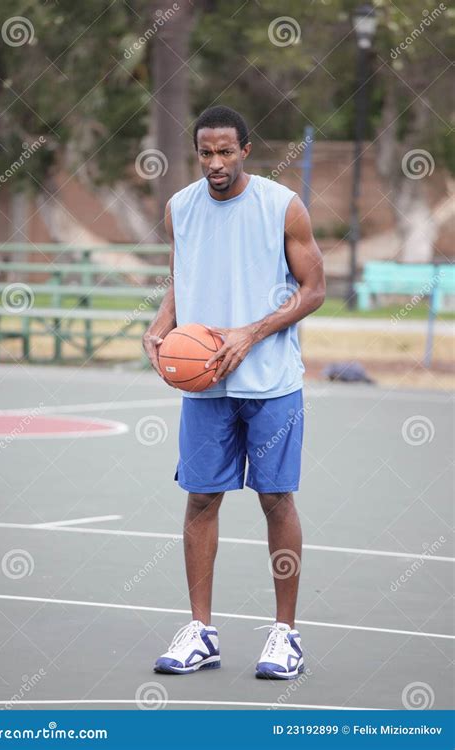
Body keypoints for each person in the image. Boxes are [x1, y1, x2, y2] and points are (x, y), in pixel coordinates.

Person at [142, 105, 325, 679]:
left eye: (226, 151)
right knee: (200, 501)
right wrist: (161, 322)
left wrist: (252, 331)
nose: (215, 163)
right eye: (205, 153)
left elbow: (314, 289)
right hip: (204, 386)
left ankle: (285, 635)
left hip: (270, 383)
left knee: (276, 501)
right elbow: (183, 273)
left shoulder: (281, 206)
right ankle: (201, 631)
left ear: (246, 149)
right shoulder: (180, 208)